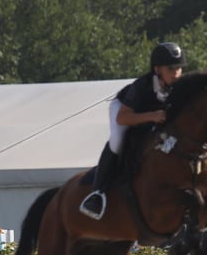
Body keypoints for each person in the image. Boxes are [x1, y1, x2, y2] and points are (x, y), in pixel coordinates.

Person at [79, 42, 186, 220]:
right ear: (158, 69)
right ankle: (97, 193)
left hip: (153, 120)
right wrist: (152, 116)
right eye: (171, 69)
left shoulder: (180, 87)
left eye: (179, 69)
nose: (176, 73)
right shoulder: (142, 86)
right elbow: (123, 118)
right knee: (118, 140)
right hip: (124, 110)